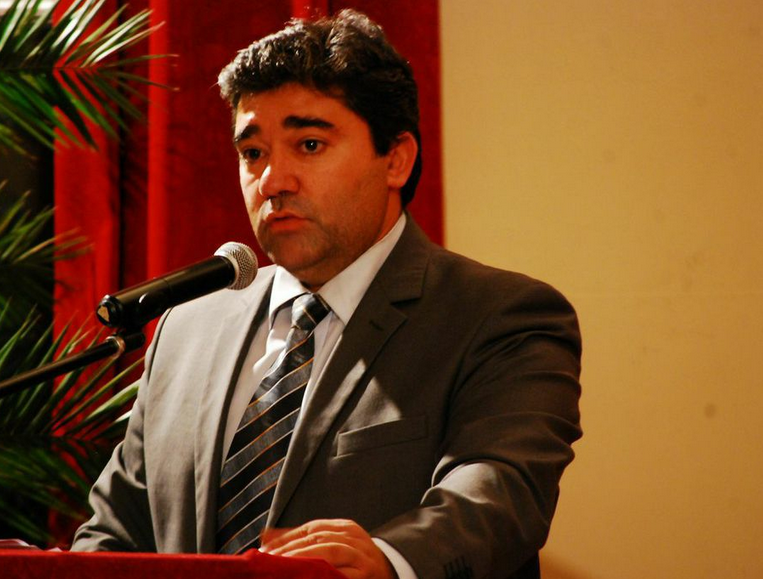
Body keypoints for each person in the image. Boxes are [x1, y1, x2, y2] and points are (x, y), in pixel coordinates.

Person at [72, 10, 582, 579]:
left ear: (396, 159)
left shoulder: (499, 318)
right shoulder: (186, 329)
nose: (272, 181)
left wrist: (389, 559)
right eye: (253, 153)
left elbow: (498, 494)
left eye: (309, 144)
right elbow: (113, 534)